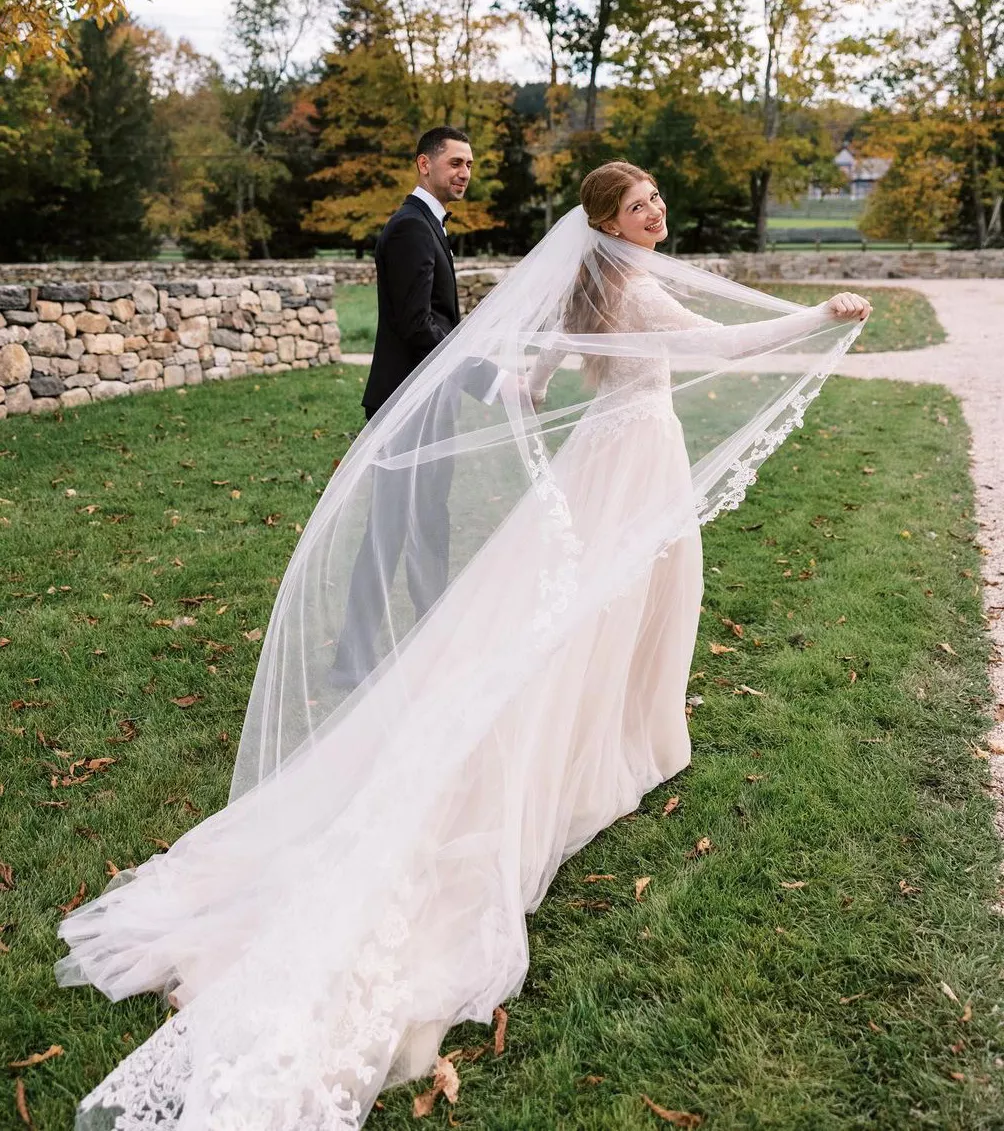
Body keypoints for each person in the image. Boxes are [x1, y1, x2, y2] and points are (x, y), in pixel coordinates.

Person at [55, 161, 870, 1131]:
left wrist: (531, 390)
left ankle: (631, 740)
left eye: (657, 198)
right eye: (639, 203)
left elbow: (545, 373)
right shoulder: (633, 284)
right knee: (617, 610)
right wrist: (820, 317)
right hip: (629, 461)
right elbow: (724, 344)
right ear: (609, 221)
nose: (656, 210)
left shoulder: (594, 281)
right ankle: (623, 749)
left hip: (605, 459)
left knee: (601, 611)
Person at [334, 125, 500, 687]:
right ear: (422, 166)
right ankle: (377, 655)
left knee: (420, 525)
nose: (464, 172)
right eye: (454, 162)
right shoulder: (411, 228)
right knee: (405, 530)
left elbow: (431, 320)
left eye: (470, 164)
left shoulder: (427, 226)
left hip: (423, 406)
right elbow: (418, 326)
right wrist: (489, 379)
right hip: (407, 409)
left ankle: (388, 652)